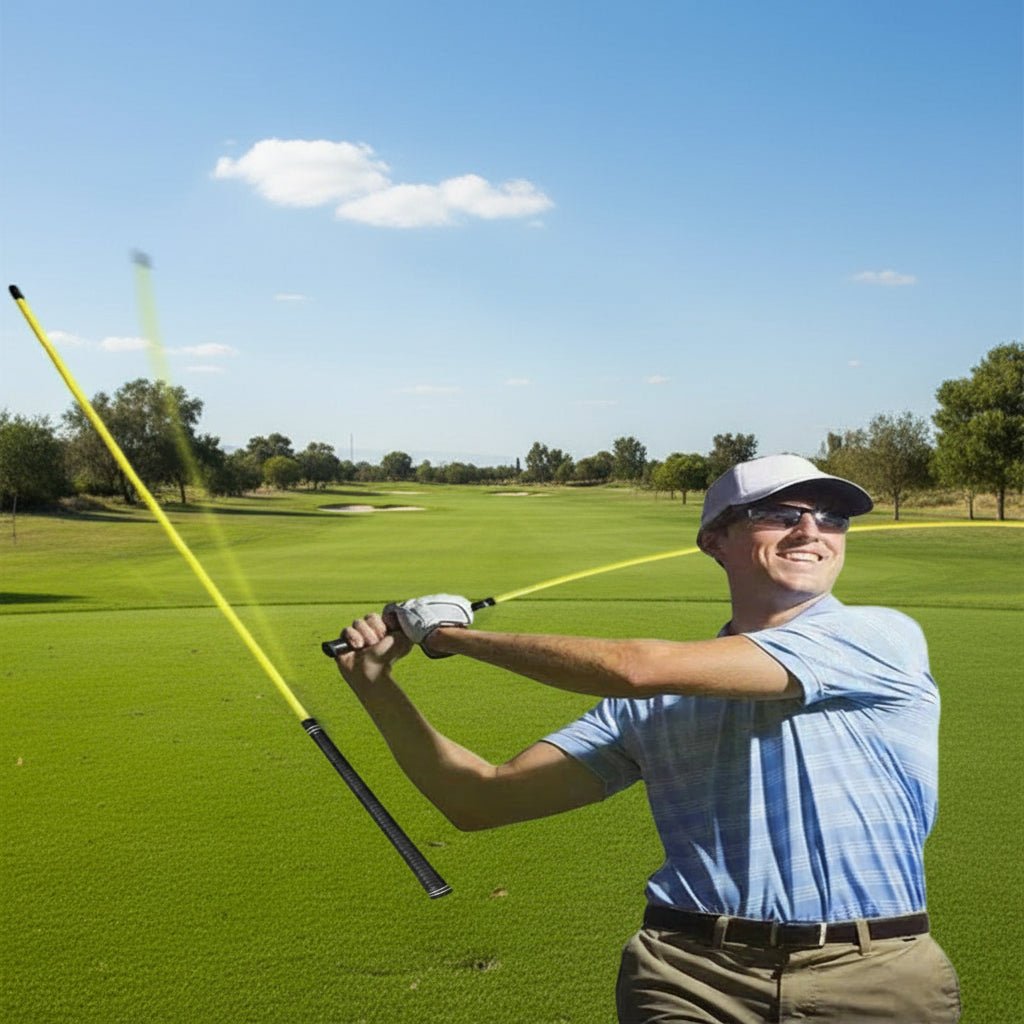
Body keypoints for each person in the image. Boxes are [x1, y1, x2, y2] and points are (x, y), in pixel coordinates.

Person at [334, 454, 961, 1023]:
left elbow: (637, 666)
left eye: (832, 518)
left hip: (874, 974)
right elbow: (479, 800)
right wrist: (375, 684)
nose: (812, 532)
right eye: (778, 514)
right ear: (714, 539)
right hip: (688, 978)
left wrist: (447, 637)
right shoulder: (650, 707)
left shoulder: (882, 638)